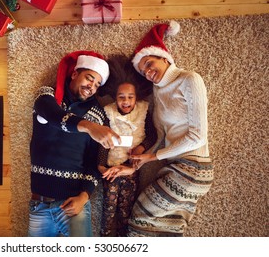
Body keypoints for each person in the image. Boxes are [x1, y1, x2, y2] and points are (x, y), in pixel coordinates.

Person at [103, 21, 214, 237]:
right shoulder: (157, 93)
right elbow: (161, 137)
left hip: (193, 169)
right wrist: (137, 162)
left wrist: (153, 157)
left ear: (164, 57)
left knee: (139, 219)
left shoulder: (189, 79)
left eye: (149, 63)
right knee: (169, 229)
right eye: (143, 69)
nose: (147, 71)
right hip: (173, 166)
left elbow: (198, 136)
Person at [28, 50, 120, 237]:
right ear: (75, 74)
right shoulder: (47, 95)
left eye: (97, 84)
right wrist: (88, 127)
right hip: (40, 203)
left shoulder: (98, 115)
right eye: (89, 78)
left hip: (73, 203)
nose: (91, 86)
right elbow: (55, 116)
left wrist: (83, 197)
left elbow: (94, 163)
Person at [96, 56, 156, 237]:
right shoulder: (108, 112)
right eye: (121, 97)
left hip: (131, 168)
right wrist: (100, 165)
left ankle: (124, 240)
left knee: (125, 208)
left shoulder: (144, 110)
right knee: (109, 207)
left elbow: (153, 135)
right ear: (115, 98)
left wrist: (141, 148)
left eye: (130, 97)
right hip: (111, 167)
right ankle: (105, 237)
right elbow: (103, 142)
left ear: (137, 97)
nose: (126, 101)